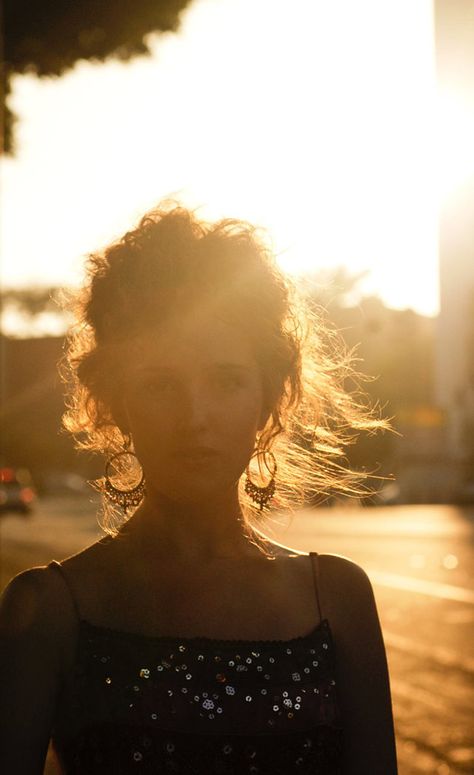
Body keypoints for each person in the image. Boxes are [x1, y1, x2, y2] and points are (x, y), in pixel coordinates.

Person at [0, 202, 398, 774]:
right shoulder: (49, 612)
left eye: (225, 380)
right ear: (116, 403)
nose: (195, 417)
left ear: (269, 396)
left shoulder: (337, 600)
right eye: (161, 384)